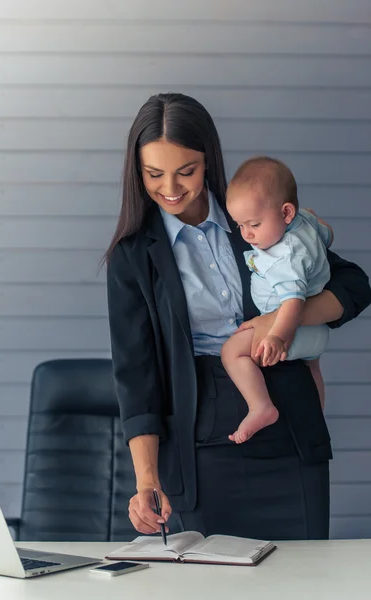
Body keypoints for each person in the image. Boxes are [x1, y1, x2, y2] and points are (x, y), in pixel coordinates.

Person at [106, 93, 371, 541]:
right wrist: (146, 480)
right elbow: (137, 376)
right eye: (154, 174)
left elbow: (354, 286)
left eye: (185, 171)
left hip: (290, 430)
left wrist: (287, 318)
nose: (170, 187)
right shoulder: (133, 258)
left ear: (208, 160)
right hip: (201, 441)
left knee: (304, 581)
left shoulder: (253, 215)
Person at [221, 156, 333, 444]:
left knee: (232, 351)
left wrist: (278, 337)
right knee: (313, 371)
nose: (247, 234)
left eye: (255, 224)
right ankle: (316, 418)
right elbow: (327, 234)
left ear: (286, 213)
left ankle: (260, 406)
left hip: (289, 326)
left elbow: (294, 301)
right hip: (316, 333)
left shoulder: (283, 257)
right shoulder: (304, 220)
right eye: (240, 225)